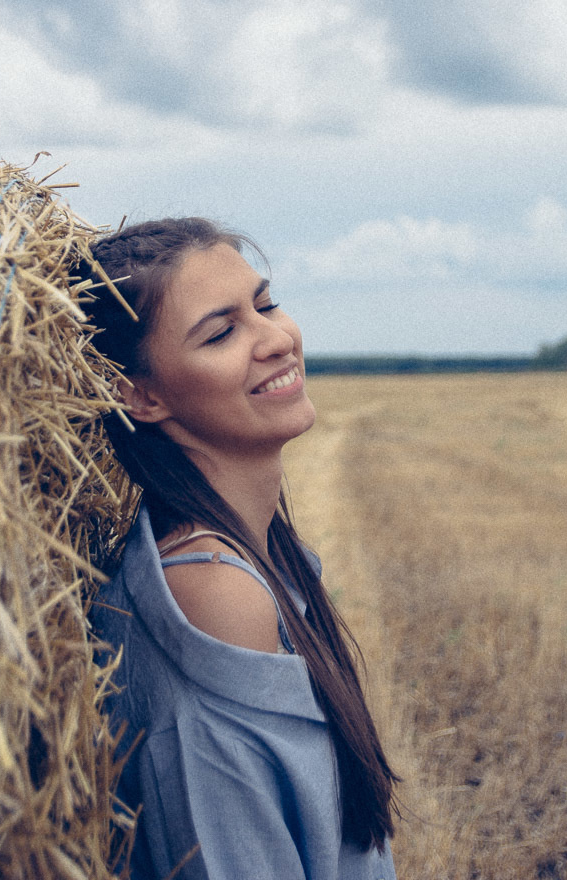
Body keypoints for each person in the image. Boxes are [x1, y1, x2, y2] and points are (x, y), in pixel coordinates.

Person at [85, 218, 399, 880]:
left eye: (265, 304)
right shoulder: (214, 598)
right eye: (221, 332)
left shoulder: (254, 560)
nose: (277, 340)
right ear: (141, 395)